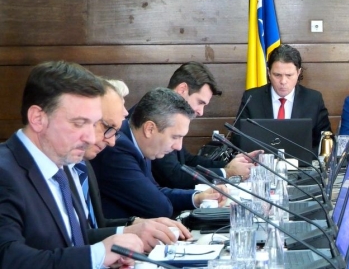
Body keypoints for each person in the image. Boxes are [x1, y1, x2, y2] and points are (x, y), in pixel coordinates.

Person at [0, 61, 143, 268]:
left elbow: (71, 242)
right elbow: (8, 258)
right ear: (38, 118)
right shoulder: (4, 172)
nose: (90, 138)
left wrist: (109, 255)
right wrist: (97, 256)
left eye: (93, 124)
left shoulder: (64, 165)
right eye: (79, 123)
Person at [76, 79, 191, 251]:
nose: (112, 141)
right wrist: (129, 229)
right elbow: (159, 206)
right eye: (108, 126)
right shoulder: (116, 150)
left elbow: (93, 227)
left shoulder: (82, 164)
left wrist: (131, 224)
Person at [91, 87, 227, 219]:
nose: (178, 146)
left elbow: (155, 192)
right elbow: (159, 207)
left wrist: (197, 197)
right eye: (175, 137)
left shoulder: (140, 145)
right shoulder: (117, 149)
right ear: (149, 129)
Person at [149, 62, 258, 189]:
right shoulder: (155, 115)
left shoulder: (169, 115)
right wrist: (226, 172)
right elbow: (174, 176)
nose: (201, 112)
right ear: (182, 90)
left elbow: (188, 160)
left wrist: (229, 165)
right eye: (200, 102)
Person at [237, 44, 332, 148]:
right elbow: (238, 138)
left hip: (301, 159)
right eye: (277, 75)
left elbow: (324, 143)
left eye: (289, 75)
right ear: (269, 72)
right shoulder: (251, 98)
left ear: (298, 72)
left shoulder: (314, 100)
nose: (283, 81)